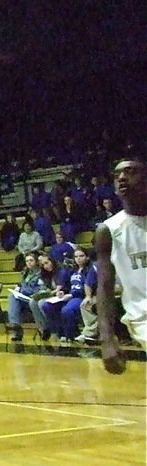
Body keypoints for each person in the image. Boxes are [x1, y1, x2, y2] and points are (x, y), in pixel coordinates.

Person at [96, 157, 147, 374]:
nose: (122, 178)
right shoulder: (109, 230)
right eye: (117, 175)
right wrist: (107, 338)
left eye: (130, 172)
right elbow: (105, 287)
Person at [5, 252, 46, 342]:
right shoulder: (26, 273)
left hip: (34, 299)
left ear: (36, 262)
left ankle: (16, 326)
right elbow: (22, 284)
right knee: (12, 296)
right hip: (25, 299)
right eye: (27, 261)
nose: (29, 263)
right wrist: (18, 288)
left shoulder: (41, 273)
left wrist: (23, 291)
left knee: (16, 298)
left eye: (31, 260)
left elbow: (40, 290)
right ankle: (15, 325)